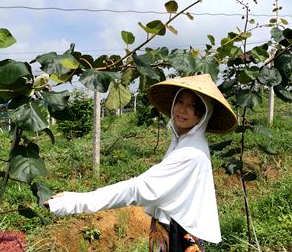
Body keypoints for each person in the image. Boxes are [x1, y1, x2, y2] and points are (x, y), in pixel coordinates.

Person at [44, 74, 238, 252]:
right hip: (171, 226)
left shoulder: (190, 153)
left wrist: (75, 202)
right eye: (180, 101)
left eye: (193, 106)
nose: (182, 109)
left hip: (179, 234)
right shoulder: (183, 140)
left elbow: (138, 188)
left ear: (203, 114)